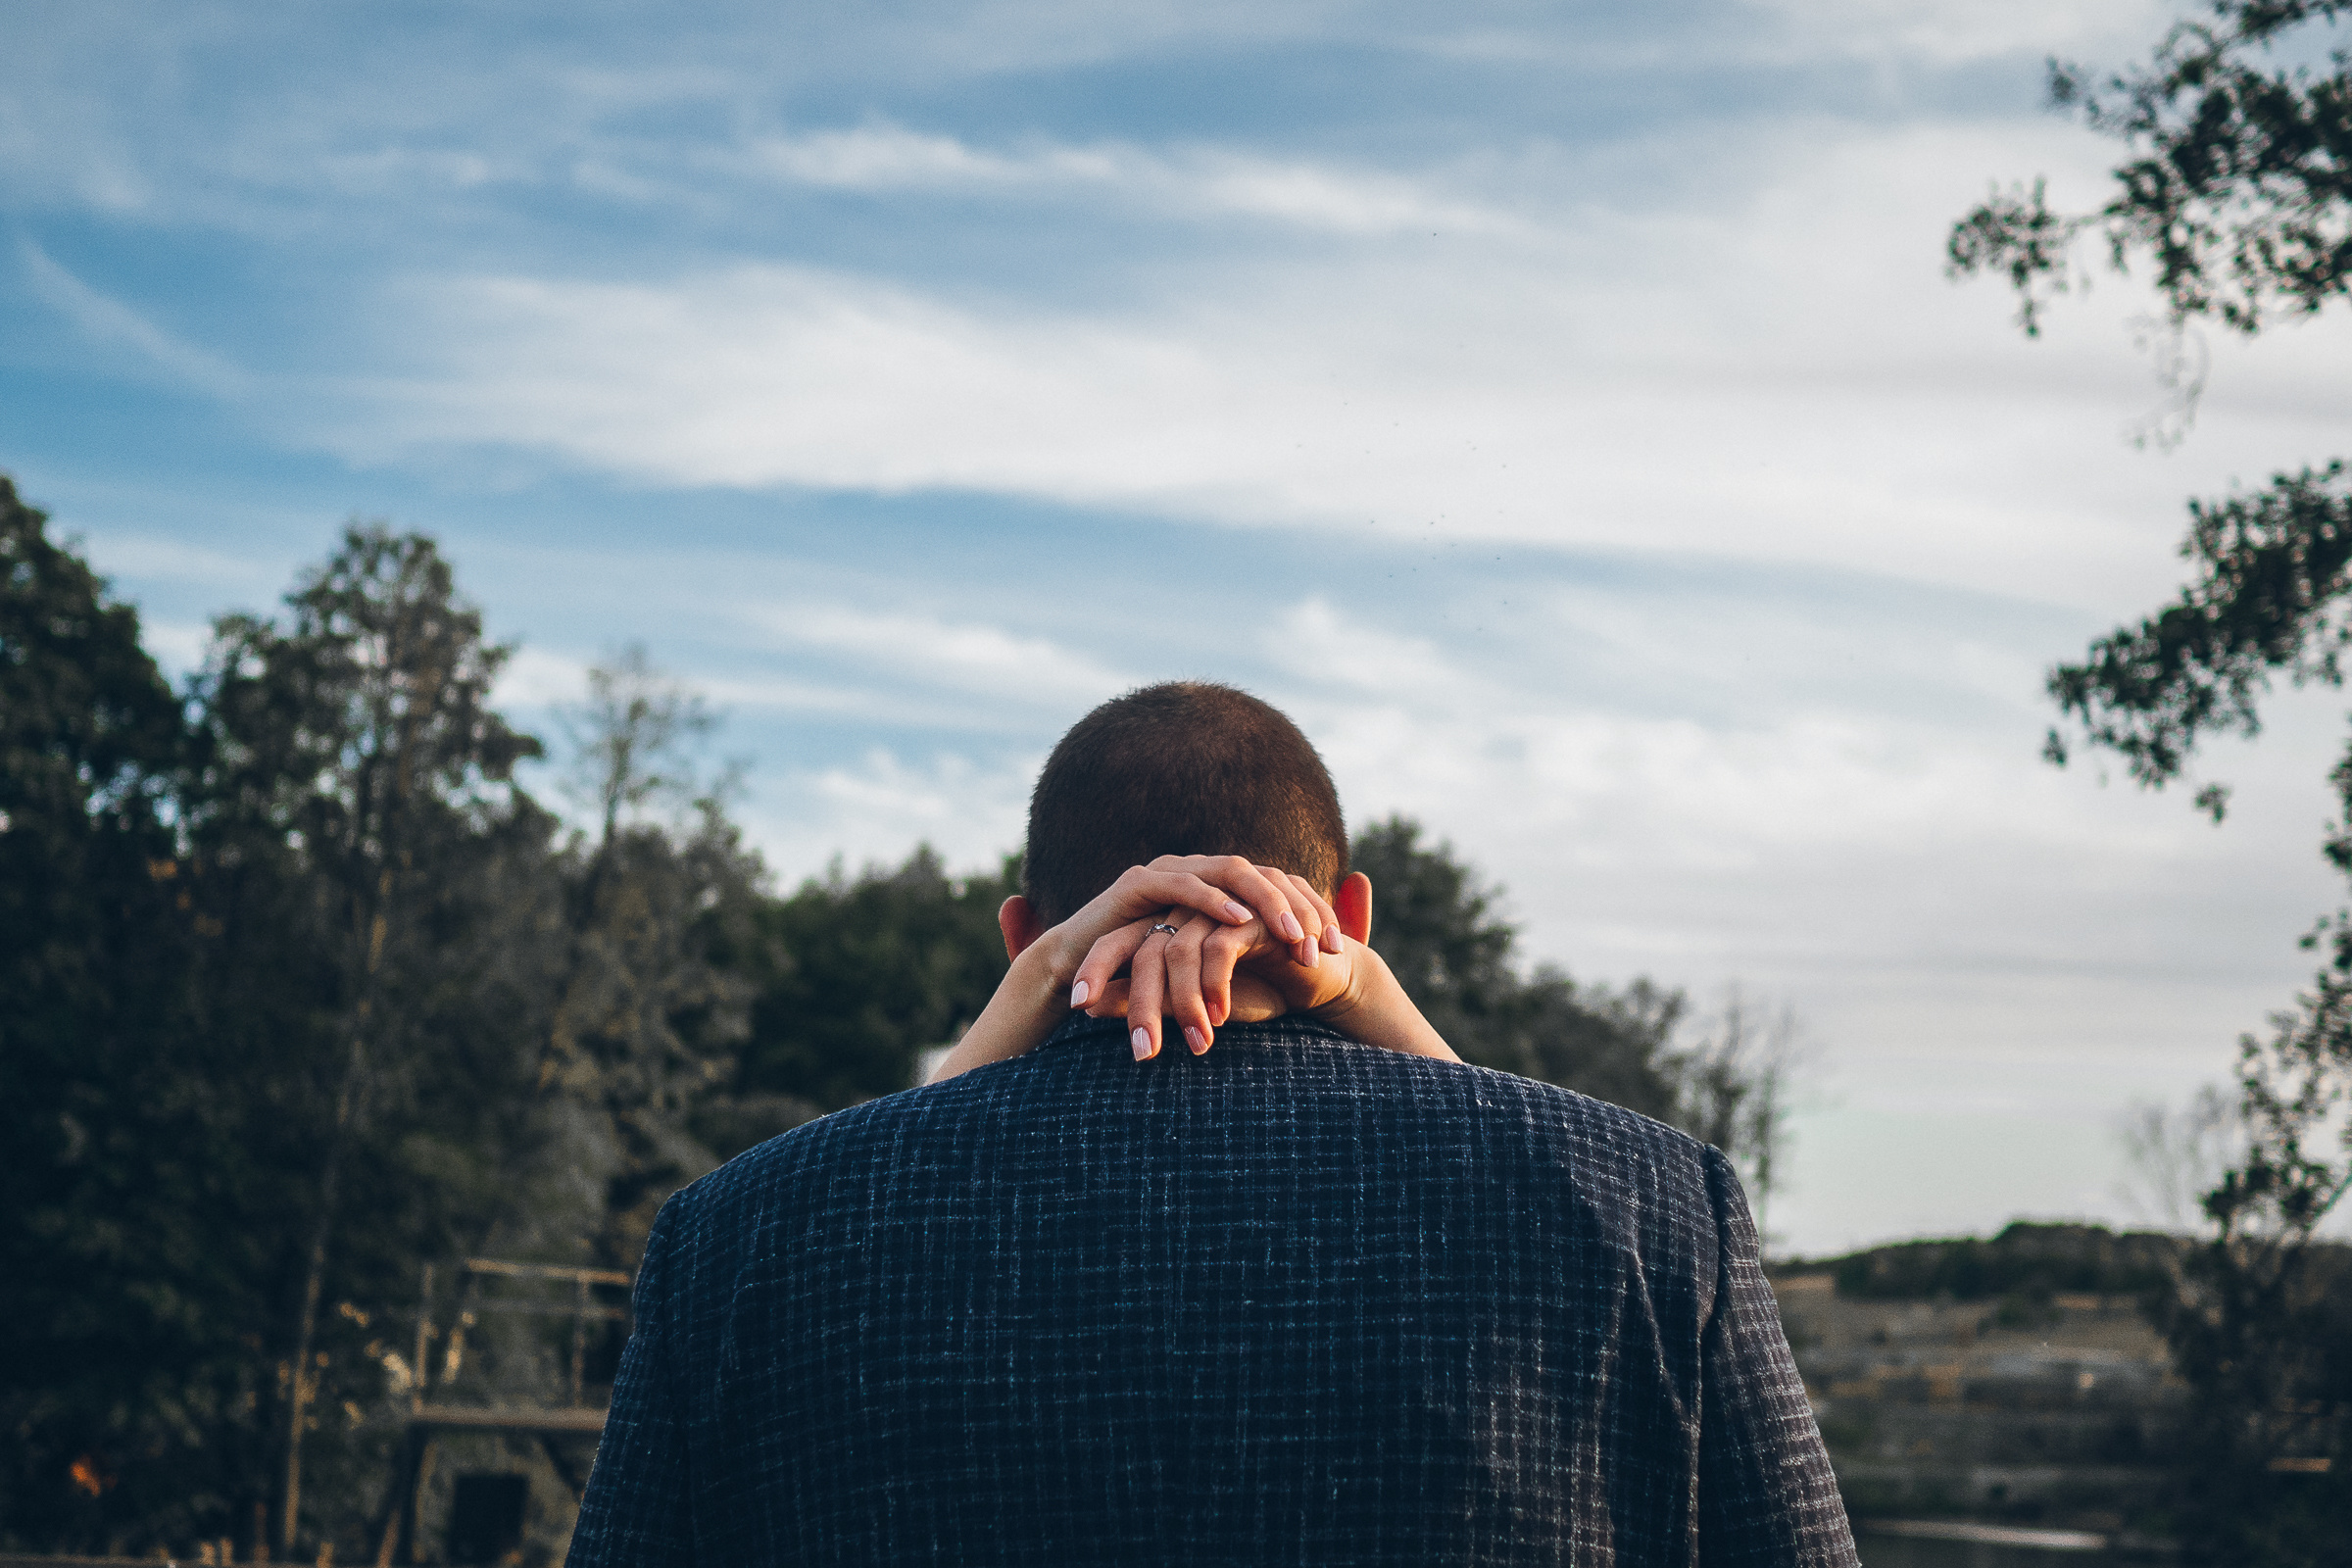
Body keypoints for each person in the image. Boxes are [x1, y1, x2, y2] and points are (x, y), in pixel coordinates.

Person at [565, 682, 1858, 1567]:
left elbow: (877, 1207)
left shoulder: (738, 1240)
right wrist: (1366, 989)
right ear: (1347, 910)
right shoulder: (1652, 1206)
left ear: (1024, 937)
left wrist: (996, 1034)